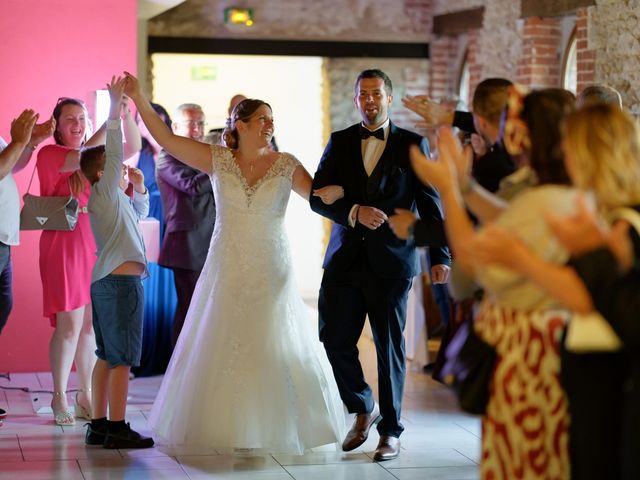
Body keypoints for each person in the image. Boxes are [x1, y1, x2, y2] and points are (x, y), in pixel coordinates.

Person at [124, 71, 346, 453]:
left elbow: (316, 197)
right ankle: (230, 429)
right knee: (224, 341)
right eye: (263, 119)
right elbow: (165, 139)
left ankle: (279, 426)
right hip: (226, 264)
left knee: (271, 339)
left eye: (272, 120)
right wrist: (139, 97)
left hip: (272, 266)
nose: (270, 126)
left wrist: (337, 193)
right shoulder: (217, 160)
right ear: (240, 126)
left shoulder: (285, 162)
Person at [410, 87, 576, 478]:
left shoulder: (537, 201)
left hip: (531, 359)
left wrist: (450, 190)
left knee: (525, 461)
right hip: (566, 348)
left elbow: (466, 276)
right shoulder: (571, 194)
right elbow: (504, 213)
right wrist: (464, 186)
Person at [471, 104, 640, 479]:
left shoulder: (624, 222)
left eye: (569, 144)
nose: (563, 154)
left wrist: (520, 258)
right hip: (590, 377)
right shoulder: (600, 212)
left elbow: (591, 298)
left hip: (610, 382)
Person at [310, 69, 451, 461]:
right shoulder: (339, 143)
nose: (369, 100)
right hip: (344, 261)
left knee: (389, 349)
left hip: (392, 263)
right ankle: (362, 405)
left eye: (376, 93)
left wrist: (440, 256)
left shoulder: (413, 144)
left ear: (389, 98)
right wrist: (353, 209)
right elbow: (317, 197)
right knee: (333, 338)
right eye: (363, 95)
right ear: (355, 101)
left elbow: (431, 205)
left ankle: (390, 431)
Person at [37, 96, 140, 425]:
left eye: (82, 117)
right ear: (56, 124)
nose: (78, 124)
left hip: (95, 241)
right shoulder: (51, 154)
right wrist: (108, 116)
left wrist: (123, 113)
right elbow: (78, 159)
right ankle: (58, 396)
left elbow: (132, 146)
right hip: (64, 242)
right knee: (69, 325)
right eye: (70, 118)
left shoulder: (95, 152)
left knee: (91, 327)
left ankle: (85, 393)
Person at [79, 76, 153, 449]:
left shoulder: (115, 199)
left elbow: (140, 212)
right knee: (122, 359)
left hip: (108, 281)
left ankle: (98, 424)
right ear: (101, 173)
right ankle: (119, 426)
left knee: (107, 355)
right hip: (120, 285)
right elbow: (113, 152)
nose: (122, 169)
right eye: (117, 169)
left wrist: (138, 187)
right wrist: (114, 106)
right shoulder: (104, 189)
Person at [0, 109, 53, 420]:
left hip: (4, 238)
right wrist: (20, 141)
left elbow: (11, 166)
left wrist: (29, 143)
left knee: (3, 307)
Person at [156, 103, 216, 347]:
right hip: (187, 243)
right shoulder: (167, 155)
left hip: (213, 236)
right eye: (192, 123)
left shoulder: (208, 153)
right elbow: (191, 186)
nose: (198, 129)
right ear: (176, 126)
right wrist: (219, 165)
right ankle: (179, 372)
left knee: (209, 309)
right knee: (190, 308)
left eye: (201, 123)